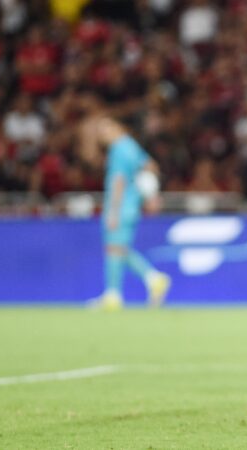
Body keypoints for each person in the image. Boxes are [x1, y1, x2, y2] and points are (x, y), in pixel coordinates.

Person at [79, 94, 171, 312]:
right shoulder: (131, 146)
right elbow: (151, 166)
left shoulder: (119, 150)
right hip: (132, 206)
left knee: (114, 248)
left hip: (120, 205)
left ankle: (118, 293)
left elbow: (119, 181)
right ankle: (149, 281)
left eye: (104, 131)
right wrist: (149, 194)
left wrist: (112, 211)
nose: (102, 136)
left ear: (114, 128)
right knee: (119, 249)